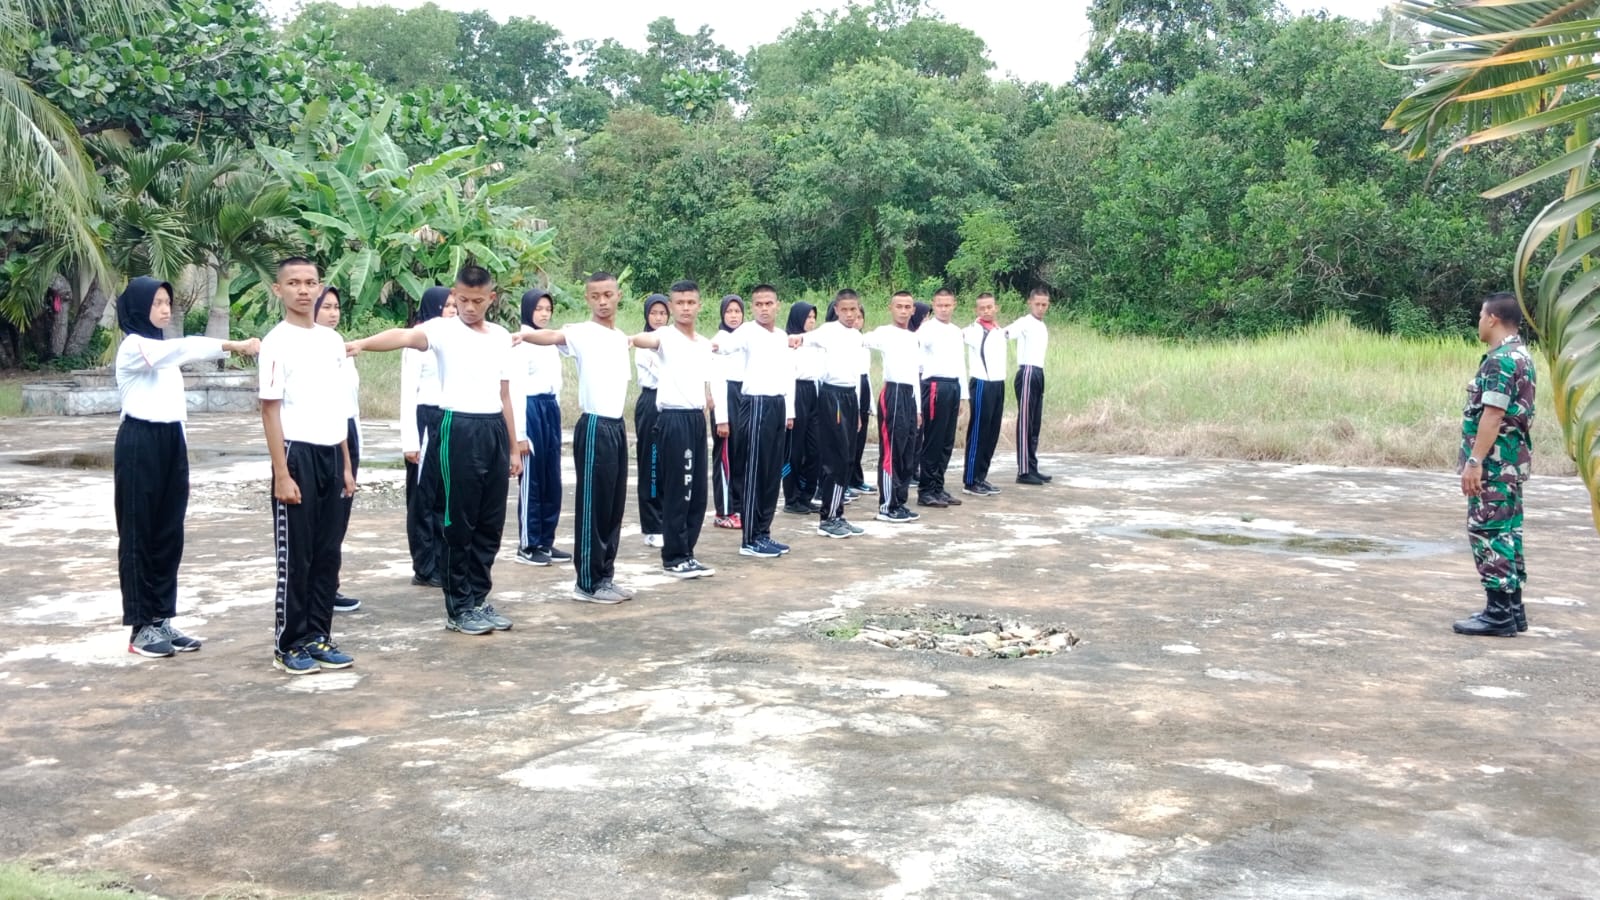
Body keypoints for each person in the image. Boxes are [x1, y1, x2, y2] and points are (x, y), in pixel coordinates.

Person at [347, 265, 521, 636]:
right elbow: (403, 336)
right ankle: (458, 607)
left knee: (490, 525)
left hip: (492, 429)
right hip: (457, 427)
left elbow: (505, 395)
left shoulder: (501, 336)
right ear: (454, 296)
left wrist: (513, 448)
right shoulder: (442, 330)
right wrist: (361, 343)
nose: (469, 307)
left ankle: (478, 598)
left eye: (477, 301)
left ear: (491, 298)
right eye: (462, 300)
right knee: (459, 522)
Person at [114, 277, 259, 658]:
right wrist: (233, 345)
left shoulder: (160, 350)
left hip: (171, 442)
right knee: (138, 534)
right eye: (158, 303)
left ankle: (160, 617)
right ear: (138, 308)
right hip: (139, 443)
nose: (165, 309)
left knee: (168, 533)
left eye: (168, 303)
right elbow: (185, 348)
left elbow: (176, 353)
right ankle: (140, 627)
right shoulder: (135, 346)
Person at [259, 257, 359, 674]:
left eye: (311, 282)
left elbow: (338, 406)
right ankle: (290, 642)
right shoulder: (275, 342)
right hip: (296, 453)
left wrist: (347, 465)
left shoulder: (331, 342)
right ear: (278, 291)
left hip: (331, 454)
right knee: (296, 557)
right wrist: (282, 472)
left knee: (326, 553)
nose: (303, 290)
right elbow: (270, 411)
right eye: (294, 283)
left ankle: (319, 634)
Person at [519, 272, 636, 604]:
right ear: (588, 299)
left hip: (616, 427)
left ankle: (605, 576)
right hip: (595, 426)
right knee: (593, 507)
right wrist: (520, 336)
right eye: (595, 296)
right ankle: (587, 581)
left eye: (608, 295)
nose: (602, 301)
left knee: (613, 508)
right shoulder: (582, 333)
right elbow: (550, 336)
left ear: (618, 295)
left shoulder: (619, 337)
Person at [1452, 292, 1537, 637]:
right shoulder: (1521, 355)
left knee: (1488, 531)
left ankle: (1499, 613)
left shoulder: (1500, 360)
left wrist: (1475, 461)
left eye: (1480, 315)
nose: (1478, 322)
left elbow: (1493, 413)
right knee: (1509, 532)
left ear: (1492, 319)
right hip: (1510, 463)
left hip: (1494, 464)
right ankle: (1513, 610)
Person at [629, 280, 717, 578]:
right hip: (673, 420)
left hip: (695, 420)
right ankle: (673, 556)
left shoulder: (703, 343)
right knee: (680, 489)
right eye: (679, 303)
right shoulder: (665, 335)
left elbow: (706, 379)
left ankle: (687, 553)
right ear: (672, 306)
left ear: (699, 305)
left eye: (691, 302)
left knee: (698, 493)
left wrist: (709, 399)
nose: (685, 308)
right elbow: (645, 340)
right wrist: (629, 339)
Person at [795, 290, 869, 539]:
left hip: (849, 397)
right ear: (837, 309)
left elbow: (858, 375)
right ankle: (827, 517)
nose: (850, 314)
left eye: (854, 310)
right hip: (832, 396)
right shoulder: (827, 331)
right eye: (845, 310)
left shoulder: (857, 336)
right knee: (835, 458)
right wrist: (790, 340)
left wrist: (858, 410)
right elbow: (801, 339)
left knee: (848, 457)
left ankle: (838, 514)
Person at [512, 289, 571, 567]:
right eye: (538, 309)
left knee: (551, 477)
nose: (544, 313)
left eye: (548, 308)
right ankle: (528, 543)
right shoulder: (521, 342)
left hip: (550, 409)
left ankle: (546, 541)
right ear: (527, 310)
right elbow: (516, 391)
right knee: (533, 479)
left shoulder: (549, 341)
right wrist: (520, 435)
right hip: (530, 409)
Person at [313, 287, 363, 613]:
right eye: (326, 307)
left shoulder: (340, 344)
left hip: (348, 431)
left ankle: (330, 585)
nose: (333, 312)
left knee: (339, 520)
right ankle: (317, 589)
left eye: (337, 307)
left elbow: (351, 403)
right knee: (322, 521)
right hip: (324, 436)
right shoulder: (312, 346)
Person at [401, 287, 454, 588]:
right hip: (424, 419)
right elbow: (408, 392)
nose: (452, 310)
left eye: (454, 305)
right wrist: (410, 440)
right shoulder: (417, 339)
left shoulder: (455, 339)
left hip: (447, 418)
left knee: (444, 496)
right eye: (446, 306)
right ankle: (424, 565)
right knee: (423, 498)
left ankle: (441, 559)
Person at [862, 291, 923, 523]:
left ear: (913, 310)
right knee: (892, 452)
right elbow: (861, 339)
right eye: (899, 306)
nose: (904, 311)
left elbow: (916, 375)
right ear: (891, 307)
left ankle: (900, 501)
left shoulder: (912, 337)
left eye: (908, 307)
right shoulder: (884, 333)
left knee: (908, 452)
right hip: (893, 393)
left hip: (909, 395)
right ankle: (886, 506)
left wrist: (917, 408)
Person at [917, 288, 967, 509]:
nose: (944, 309)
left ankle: (938, 486)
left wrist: (964, 395)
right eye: (940, 305)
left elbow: (960, 364)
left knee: (947, 441)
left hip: (953, 385)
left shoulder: (957, 331)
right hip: (935, 385)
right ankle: (926, 490)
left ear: (954, 304)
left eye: (948, 305)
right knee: (934, 440)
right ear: (934, 305)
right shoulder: (926, 329)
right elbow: (915, 355)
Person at [962, 292, 1007, 497]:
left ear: (995, 307)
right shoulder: (973, 331)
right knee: (979, 432)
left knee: (992, 432)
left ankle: (982, 476)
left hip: (998, 384)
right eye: (982, 308)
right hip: (981, 384)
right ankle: (970, 480)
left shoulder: (998, 330)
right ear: (976, 310)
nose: (987, 311)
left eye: (990, 307)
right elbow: (956, 336)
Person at [1008, 288, 1052, 485]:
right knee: (1025, 422)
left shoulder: (1041, 325)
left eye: (1044, 305)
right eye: (1038, 304)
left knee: (1035, 423)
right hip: (1027, 372)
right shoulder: (1024, 322)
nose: (1041, 308)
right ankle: (1023, 471)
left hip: (1038, 372)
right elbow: (1006, 333)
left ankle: (1032, 466)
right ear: (1030, 303)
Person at [635, 294, 669, 547]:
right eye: (654, 313)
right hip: (651, 403)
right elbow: (665, 373)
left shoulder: (673, 341)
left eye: (663, 313)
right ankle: (652, 526)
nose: (658, 318)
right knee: (652, 464)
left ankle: (667, 521)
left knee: (671, 467)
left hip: (671, 406)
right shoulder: (643, 344)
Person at [782, 301, 821, 515]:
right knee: (793, 452)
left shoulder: (813, 344)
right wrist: (789, 412)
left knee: (814, 450)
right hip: (795, 395)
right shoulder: (789, 345)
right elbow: (786, 379)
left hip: (812, 394)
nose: (811, 321)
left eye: (814, 317)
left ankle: (807, 495)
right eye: (807, 317)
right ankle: (792, 497)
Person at [711, 295, 746, 529]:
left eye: (737, 311)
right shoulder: (719, 341)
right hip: (726, 398)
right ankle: (723, 511)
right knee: (725, 457)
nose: (734, 315)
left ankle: (739, 506)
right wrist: (721, 419)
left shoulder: (746, 338)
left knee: (741, 456)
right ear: (723, 315)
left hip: (743, 397)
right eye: (729, 311)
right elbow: (716, 381)